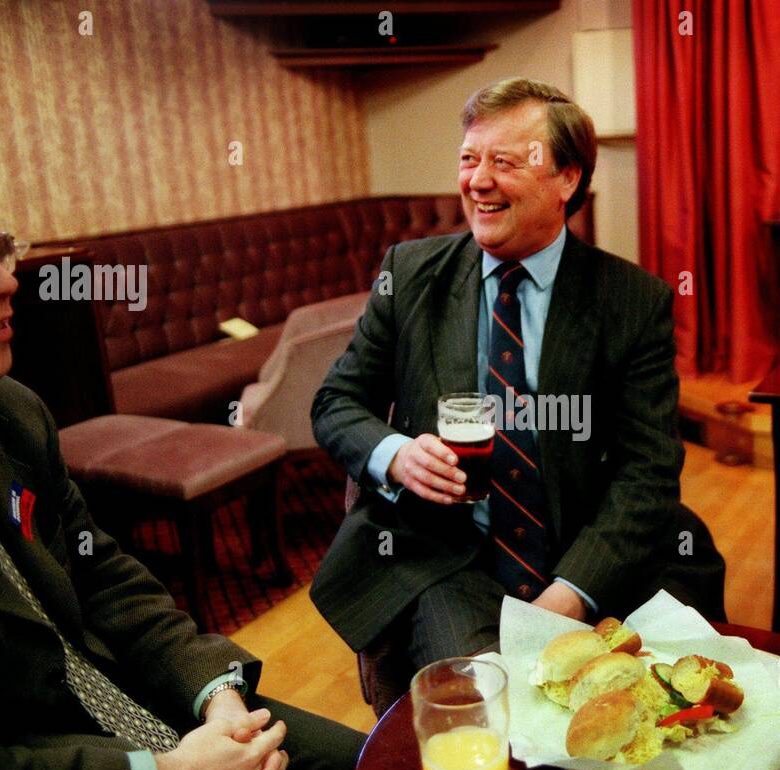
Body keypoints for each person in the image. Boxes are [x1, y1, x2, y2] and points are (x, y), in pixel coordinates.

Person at [0, 139, 365, 770]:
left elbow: (101, 573)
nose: (3, 280)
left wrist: (214, 694)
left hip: (125, 696)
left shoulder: (8, 409)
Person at [310, 78, 726, 673]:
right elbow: (335, 401)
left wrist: (573, 593)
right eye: (468, 159)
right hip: (451, 557)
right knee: (489, 714)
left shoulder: (632, 302)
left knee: (662, 704)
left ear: (567, 179)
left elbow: (649, 470)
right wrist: (395, 454)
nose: (478, 181)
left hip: (593, 551)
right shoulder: (410, 275)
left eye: (502, 162)